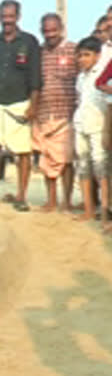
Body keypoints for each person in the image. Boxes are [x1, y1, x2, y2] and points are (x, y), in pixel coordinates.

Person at [0, 0, 42, 211]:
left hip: (20, 102)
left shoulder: (30, 42)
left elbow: (35, 77)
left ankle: (21, 196)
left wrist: (33, 105)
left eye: (11, 17)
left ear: (18, 17)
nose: (7, 21)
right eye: (4, 17)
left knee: (23, 152)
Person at [32, 13, 78, 212]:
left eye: (53, 30)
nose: (49, 34)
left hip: (66, 113)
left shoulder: (73, 50)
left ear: (61, 29)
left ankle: (66, 201)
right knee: (46, 160)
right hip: (43, 113)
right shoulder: (38, 52)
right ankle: (51, 200)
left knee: (66, 160)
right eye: (46, 30)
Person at [74, 37, 110, 232]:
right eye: (80, 55)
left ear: (97, 55)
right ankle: (88, 209)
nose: (82, 59)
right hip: (81, 125)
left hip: (98, 127)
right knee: (83, 167)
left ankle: (104, 212)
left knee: (101, 171)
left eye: (86, 55)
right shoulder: (80, 78)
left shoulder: (103, 76)